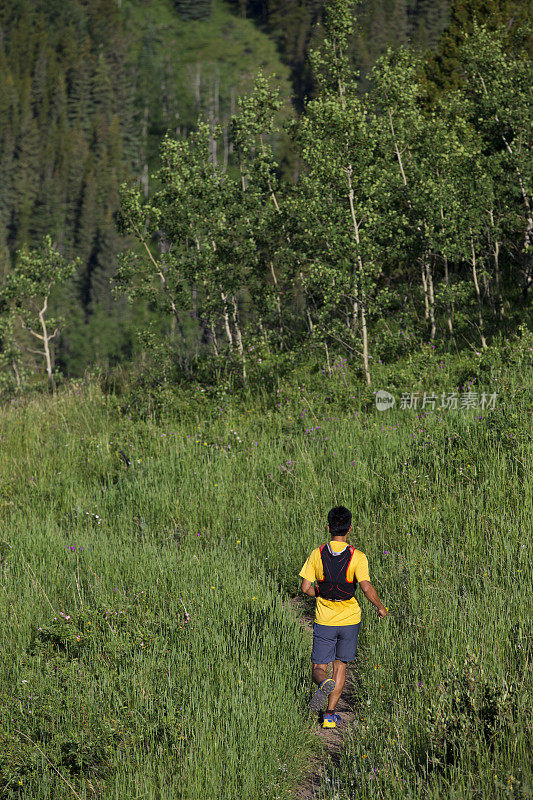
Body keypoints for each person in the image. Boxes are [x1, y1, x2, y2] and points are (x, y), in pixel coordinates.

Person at [299, 505, 388, 729]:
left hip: (325, 619)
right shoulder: (357, 557)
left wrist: (318, 593)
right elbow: (366, 588)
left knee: (319, 667)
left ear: (328, 528)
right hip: (350, 619)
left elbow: (305, 587)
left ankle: (323, 682)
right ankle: (329, 715)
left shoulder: (316, 554)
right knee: (340, 666)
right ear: (349, 530)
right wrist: (380, 607)